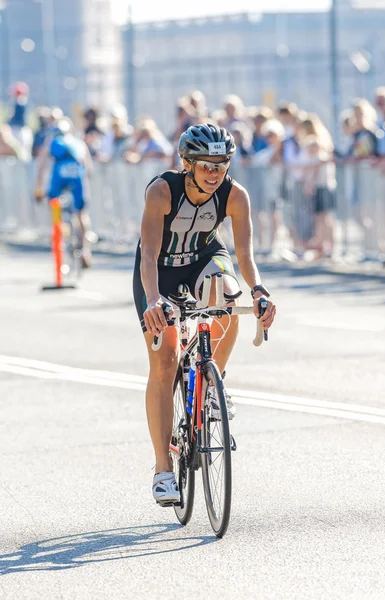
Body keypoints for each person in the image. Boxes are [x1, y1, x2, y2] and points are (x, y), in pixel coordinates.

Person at [133, 123, 277, 504]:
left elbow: (244, 256)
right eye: (207, 166)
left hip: (203, 259)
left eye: (222, 165)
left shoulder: (235, 195)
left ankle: (213, 385)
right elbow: (148, 253)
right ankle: (164, 469)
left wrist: (259, 289)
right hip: (160, 270)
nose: (215, 174)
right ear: (187, 163)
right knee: (164, 363)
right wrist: (152, 300)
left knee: (229, 297)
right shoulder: (163, 190)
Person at [35, 117, 94, 267]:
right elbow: (89, 169)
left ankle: (58, 234)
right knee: (82, 213)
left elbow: (42, 166)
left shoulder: (52, 142)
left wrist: (39, 189)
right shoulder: (79, 143)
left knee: (54, 204)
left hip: (58, 177)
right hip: (77, 178)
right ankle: (85, 250)